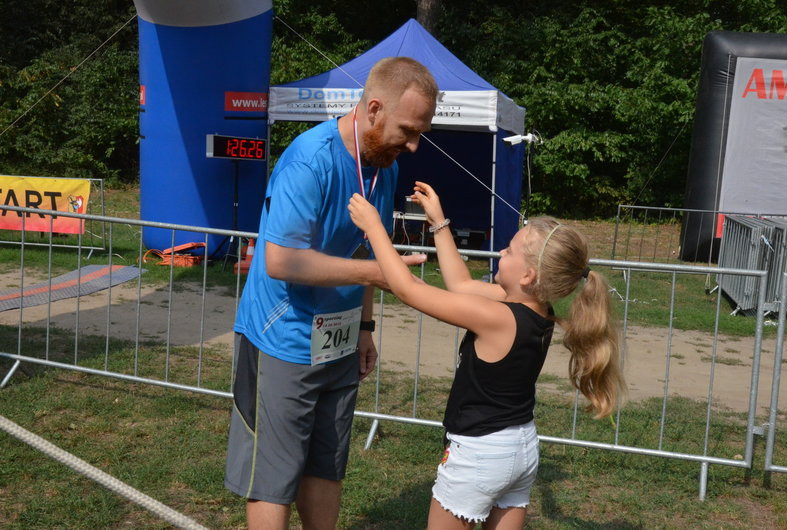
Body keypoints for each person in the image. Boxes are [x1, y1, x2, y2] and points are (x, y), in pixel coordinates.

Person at [225, 57, 438, 529]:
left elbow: (365, 249)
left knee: (326, 464)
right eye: (407, 129)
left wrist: (365, 327)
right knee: (273, 477)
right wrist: (378, 275)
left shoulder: (385, 165)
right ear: (375, 108)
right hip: (282, 337)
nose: (414, 144)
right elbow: (280, 259)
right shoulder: (310, 158)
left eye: (421, 131)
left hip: (338, 341)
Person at [348, 182, 625, 530]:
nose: (500, 254)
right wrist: (438, 223)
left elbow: (409, 289)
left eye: (508, 251)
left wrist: (374, 229)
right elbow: (461, 286)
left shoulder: (499, 317)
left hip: (480, 453)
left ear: (528, 275)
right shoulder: (534, 308)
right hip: (520, 447)